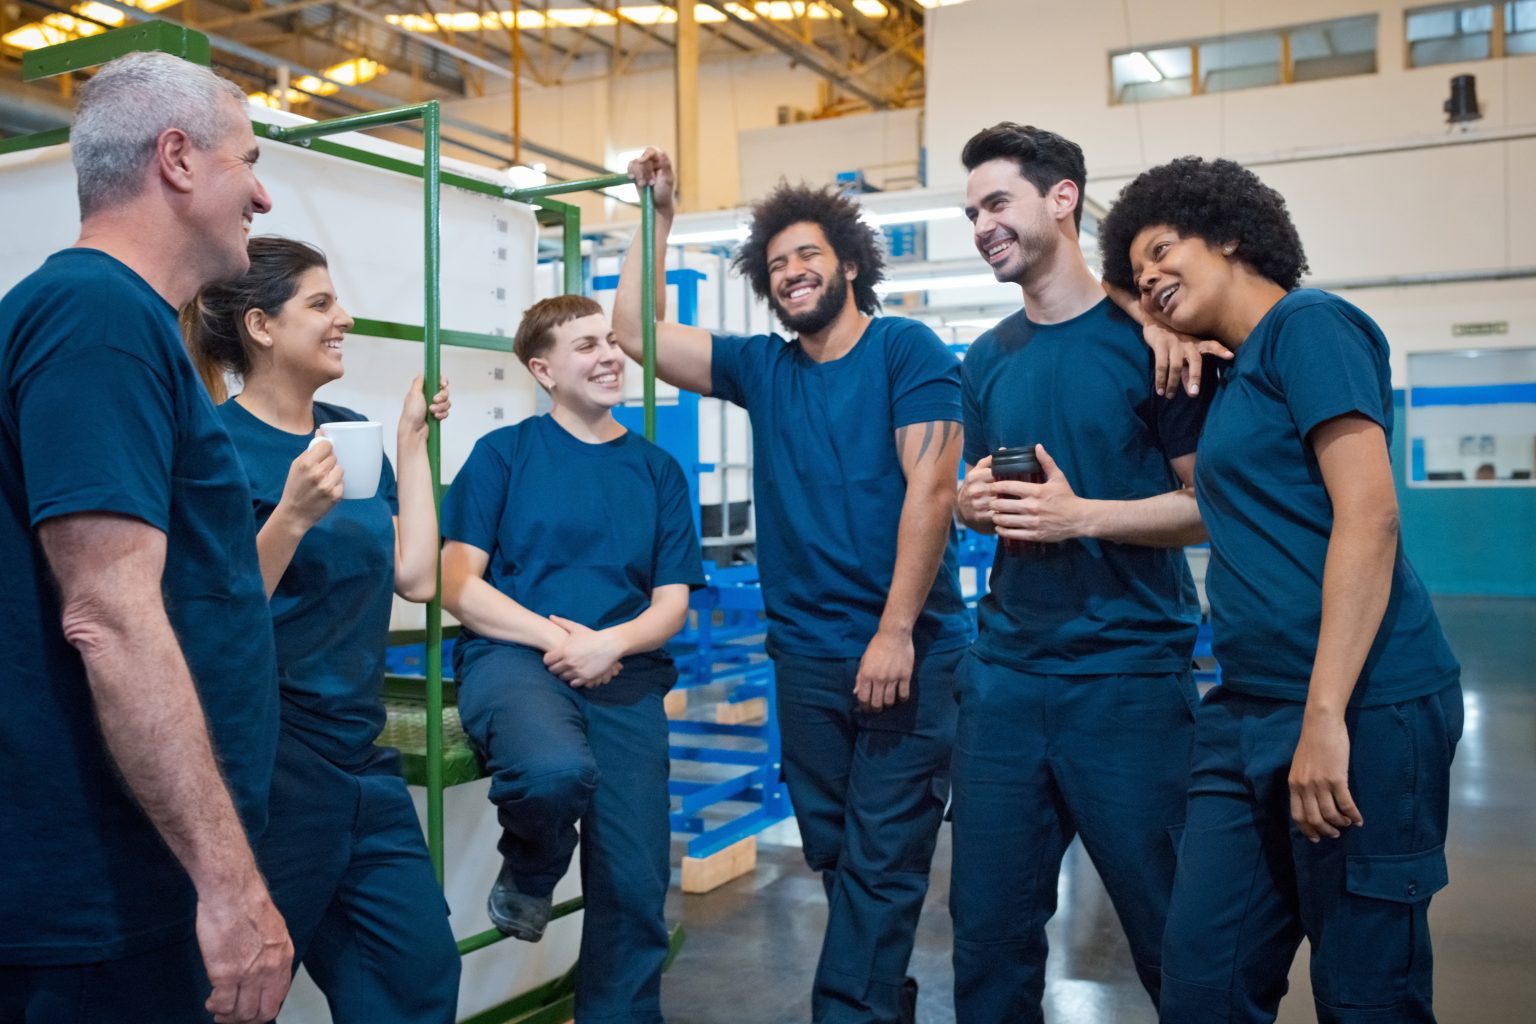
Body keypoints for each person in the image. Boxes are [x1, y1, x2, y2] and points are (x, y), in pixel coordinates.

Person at [1099, 156, 1463, 1024]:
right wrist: (1153, 313)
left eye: (1162, 250)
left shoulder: (1311, 326)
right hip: (1244, 708)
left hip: (1363, 707)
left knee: (1365, 992)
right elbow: (1112, 292)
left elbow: (1370, 517)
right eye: (1136, 269)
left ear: (1229, 233)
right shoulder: (1232, 376)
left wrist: (1325, 717)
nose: (1148, 277)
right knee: (1202, 982)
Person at [619, 150, 969, 1024]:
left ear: (849, 262)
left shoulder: (904, 348)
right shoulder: (761, 369)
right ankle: (884, 994)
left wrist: (893, 631)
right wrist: (657, 219)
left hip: (906, 652)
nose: (792, 273)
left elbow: (929, 490)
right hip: (805, 658)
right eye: (776, 266)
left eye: (807, 256)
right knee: (838, 852)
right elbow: (635, 332)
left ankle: (848, 1010)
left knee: (883, 860)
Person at [0, 53, 290, 1024]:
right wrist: (230, 886)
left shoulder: (116, 323)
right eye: (246, 160)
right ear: (176, 158)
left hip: (125, 880)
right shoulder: (97, 317)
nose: (261, 191)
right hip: (104, 896)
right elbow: (110, 616)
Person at [947, 123, 1209, 1022]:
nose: (981, 225)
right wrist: (969, 503)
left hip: (1130, 681)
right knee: (986, 936)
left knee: (1179, 937)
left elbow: (1207, 507)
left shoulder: (1154, 343)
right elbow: (968, 491)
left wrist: (1083, 517)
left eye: (997, 203)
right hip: (1006, 682)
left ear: (1062, 199)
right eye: (971, 211)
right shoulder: (985, 359)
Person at [183, 235, 461, 1022]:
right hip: (270, 766)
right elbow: (211, 618)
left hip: (361, 761)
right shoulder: (210, 447)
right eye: (321, 303)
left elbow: (415, 575)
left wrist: (411, 443)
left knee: (417, 979)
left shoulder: (347, 430)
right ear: (262, 327)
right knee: (239, 997)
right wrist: (292, 519)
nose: (344, 318)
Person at [439, 294, 703, 1023]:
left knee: (634, 887)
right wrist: (563, 642)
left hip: (625, 675)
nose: (609, 356)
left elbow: (672, 602)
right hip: (514, 659)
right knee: (554, 772)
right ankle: (530, 867)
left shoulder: (657, 470)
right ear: (543, 369)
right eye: (586, 345)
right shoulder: (504, 455)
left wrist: (609, 643)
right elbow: (456, 583)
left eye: (612, 342)